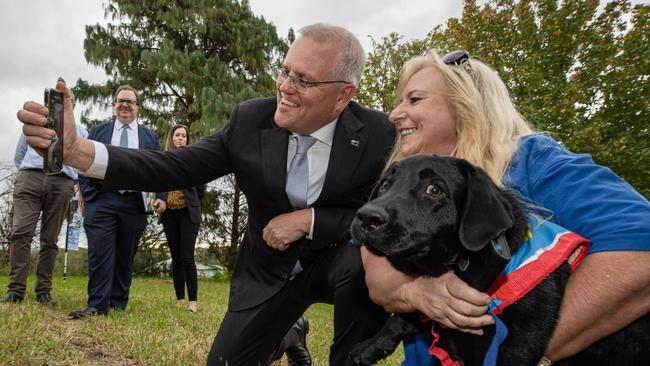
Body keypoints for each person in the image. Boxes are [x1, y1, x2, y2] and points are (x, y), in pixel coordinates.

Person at [16, 24, 395, 365]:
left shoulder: (379, 135)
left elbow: (390, 215)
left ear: (344, 95)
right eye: (284, 72)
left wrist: (310, 221)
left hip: (338, 262)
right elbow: (171, 167)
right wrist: (79, 151)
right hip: (267, 271)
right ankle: (288, 329)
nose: (284, 87)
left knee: (362, 264)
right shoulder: (249, 121)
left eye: (303, 81)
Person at [360, 49, 650, 364]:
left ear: (465, 105)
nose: (393, 114)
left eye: (414, 100)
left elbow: (640, 250)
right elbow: (376, 272)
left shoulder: (532, 160)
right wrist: (417, 291)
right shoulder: (404, 183)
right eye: (399, 101)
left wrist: (518, 350)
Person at [69, 85, 168, 319]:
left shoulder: (148, 136)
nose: (125, 105)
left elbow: (161, 169)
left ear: (138, 108)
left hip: (134, 203)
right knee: (100, 253)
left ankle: (118, 302)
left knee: (125, 255)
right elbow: (83, 163)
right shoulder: (99, 131)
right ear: (114, 105)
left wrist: (161, 197)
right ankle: (97, 305)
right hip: (102, 200)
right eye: (120, 101)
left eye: (130, 102)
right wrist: (87, 193)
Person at [1, 91, 87, 306]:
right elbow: (19, 155)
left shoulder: (80, 131)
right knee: (21, 233)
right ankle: (15, 290)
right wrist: (30, 172)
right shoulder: (36, 127)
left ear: (72, 106)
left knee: (50, 239)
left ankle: (43, 291)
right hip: (31, 176)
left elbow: (81, 163)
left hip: (61, 182)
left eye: (67, 102)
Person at [159, 124, 205, 313]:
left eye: (183, 136)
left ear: (187, 139)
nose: (180, 138)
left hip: (188, 214)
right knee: (176, 257)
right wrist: (161, 200)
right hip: (169, 214)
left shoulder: (193, 160)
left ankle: (193, 302)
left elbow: (201, 189)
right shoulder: (164, 160)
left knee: (187, 256)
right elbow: (157, 183)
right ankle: (180, 299)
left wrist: (190, 201)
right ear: (171, 138)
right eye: (177, 135)